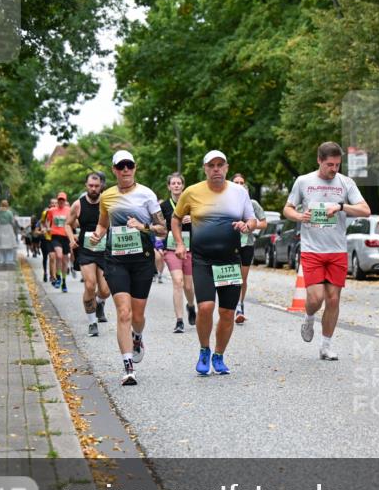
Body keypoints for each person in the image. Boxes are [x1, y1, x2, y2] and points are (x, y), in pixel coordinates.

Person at [283, 141, 370, 361]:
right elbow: (287, 209)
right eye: (329, 164)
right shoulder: (303, 182)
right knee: (316, 297)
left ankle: (326, 346)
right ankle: (309, 315)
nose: (334, 169)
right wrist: (299, 216)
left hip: (337, 250)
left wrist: (341, 206)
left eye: (337, 165)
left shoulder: (345, 183)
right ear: (319, 160)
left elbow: (365, 210)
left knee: (333, 299)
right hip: (312, 249)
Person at [172, 150, 256, 376]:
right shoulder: (191, 192)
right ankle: (204, 350)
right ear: (205, 168)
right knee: (206, 307)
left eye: (220, 165)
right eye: (212, 165)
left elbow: (252, 219)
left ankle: (219, 355)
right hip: (202, 259)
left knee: (228, 312)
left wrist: (247, 226)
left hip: (230, 259)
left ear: (227, 167)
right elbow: (176, 218)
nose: (216, 169)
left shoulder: (239, 192)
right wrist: (180, 243)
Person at [88, 150, 166, 386]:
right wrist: (97, 235)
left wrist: (143, 226)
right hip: (116, 260)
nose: (125, 170)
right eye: (120, 166)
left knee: (138, 316)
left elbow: (162, 229)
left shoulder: (147, 195)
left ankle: (137, 336)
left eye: (129, 166)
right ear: (114, 170)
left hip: (142, 259)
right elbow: (103, 224)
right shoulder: (107, 196)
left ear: (135, 168)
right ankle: (128, 366)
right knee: (124, 312)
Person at [67, 172, 112, 337]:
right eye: (90, 186)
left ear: (101, 186)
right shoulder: (78, 205)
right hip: (86, 250)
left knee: (106, 290)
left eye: (96, 186)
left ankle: (100, 303)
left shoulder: (107, 203)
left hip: (104, 250)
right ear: (86, 185)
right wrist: (72, 238)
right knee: (90, 285)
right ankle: (92, 322)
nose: (93, 189)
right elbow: (67, 224)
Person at [159, 173, 197, 333]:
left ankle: (190, 306)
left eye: (178, 183)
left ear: (183, 186)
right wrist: (158, 245)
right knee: (177, 281)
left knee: (189, 286)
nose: (176, 186)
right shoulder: (164, 207)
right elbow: (160, 227)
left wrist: (193, 219)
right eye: (173, 183)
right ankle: (179, 320)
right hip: (171, 249)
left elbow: (203, 222)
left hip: (189, 249)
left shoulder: (191, 204)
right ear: (169, 186)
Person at [231, 173, 267, 324]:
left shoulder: (252, 204)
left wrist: (250, 226)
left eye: (242, 182)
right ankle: (229, 306)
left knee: (242, 278)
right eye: (236, 182)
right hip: (230, 244)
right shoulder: (226, 202)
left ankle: (240, 306)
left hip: (247, 244)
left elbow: (264, 223)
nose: (239, 185)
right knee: (232, 277)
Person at [47, 193, 71, 290]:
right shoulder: (52, 210)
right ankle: (58, 277)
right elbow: (47, 221)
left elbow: (73, 222)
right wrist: (48, 228)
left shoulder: (69, 210)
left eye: (63, 200)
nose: (61, 202)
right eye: (59, 200)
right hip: (55, 236)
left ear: (65, 201)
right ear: (57, 200)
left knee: (65, 261)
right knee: (59, 255)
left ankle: (64, 282)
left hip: (66, 237)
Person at [0, 200, 18, 265]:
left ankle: (1, 260)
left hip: (1, 228)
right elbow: (12, 221)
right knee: (9, 245)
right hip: (8, 228)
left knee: (1, 245)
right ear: (7, 204)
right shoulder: (9, 212)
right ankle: (9, 260)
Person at [39, 197, 55, 282]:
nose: (54, 205)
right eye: (52, 203)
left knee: (52, 257)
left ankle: (52, 275)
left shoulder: (58, 213)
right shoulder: (45, 212)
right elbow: (41, 222)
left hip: (55, 238)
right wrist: (43, 229)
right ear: (49, 204)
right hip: (45, 238)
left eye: (55, 203)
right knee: (45, 256)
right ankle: (45, 273)